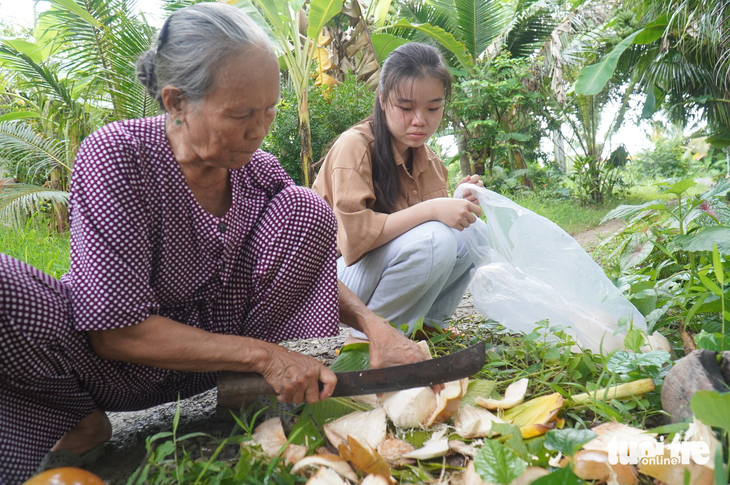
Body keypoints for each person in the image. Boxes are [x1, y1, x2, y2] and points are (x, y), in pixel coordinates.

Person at [0, 4, 426, 483]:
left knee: (306, 208)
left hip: (218, 368)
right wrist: (266, 356)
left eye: (268, 111)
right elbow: (115, 332)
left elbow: (316, 265)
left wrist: (374, 325)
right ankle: (78, 420)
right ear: (176, 102)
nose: (259, 130)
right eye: (241, 114)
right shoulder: (117, 158)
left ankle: (249, 398)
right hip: (112, 369)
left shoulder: (255, 169)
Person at [312, 43, 484, 343]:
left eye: (433, 108)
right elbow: (355, 240)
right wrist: (434, 210)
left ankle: (428, 325)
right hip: (331, 283)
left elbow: (420, 230)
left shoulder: (428, 159)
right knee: (435, 241)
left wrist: (456, 202)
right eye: (405, 108)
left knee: (473, 233)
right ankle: (369, 340)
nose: (420, 120)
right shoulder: (354, 146)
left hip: (371, 273)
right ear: (381, 100)